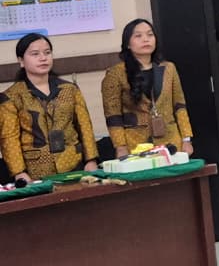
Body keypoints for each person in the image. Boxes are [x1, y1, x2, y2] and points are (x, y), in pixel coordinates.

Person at [0, 33, 98, 181]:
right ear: (21, 61)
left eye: (47, 52)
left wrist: (91, 160)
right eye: (35, 54)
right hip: (35, 171)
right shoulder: (11, 97)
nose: (43, 58)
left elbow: (85, 126)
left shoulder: (70, 89)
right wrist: (19, 172)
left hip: (74, 163)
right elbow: (9, 138)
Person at [101, 18, 194, 157]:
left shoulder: (169, 68)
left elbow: (179, 105)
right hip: (135, 145)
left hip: (171, 142)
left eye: (150, 35)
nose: (146, 39)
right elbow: (113, 115)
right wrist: (120, 147)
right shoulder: (115, 73)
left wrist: (186, 139)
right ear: (128, 44)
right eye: (138, 36)